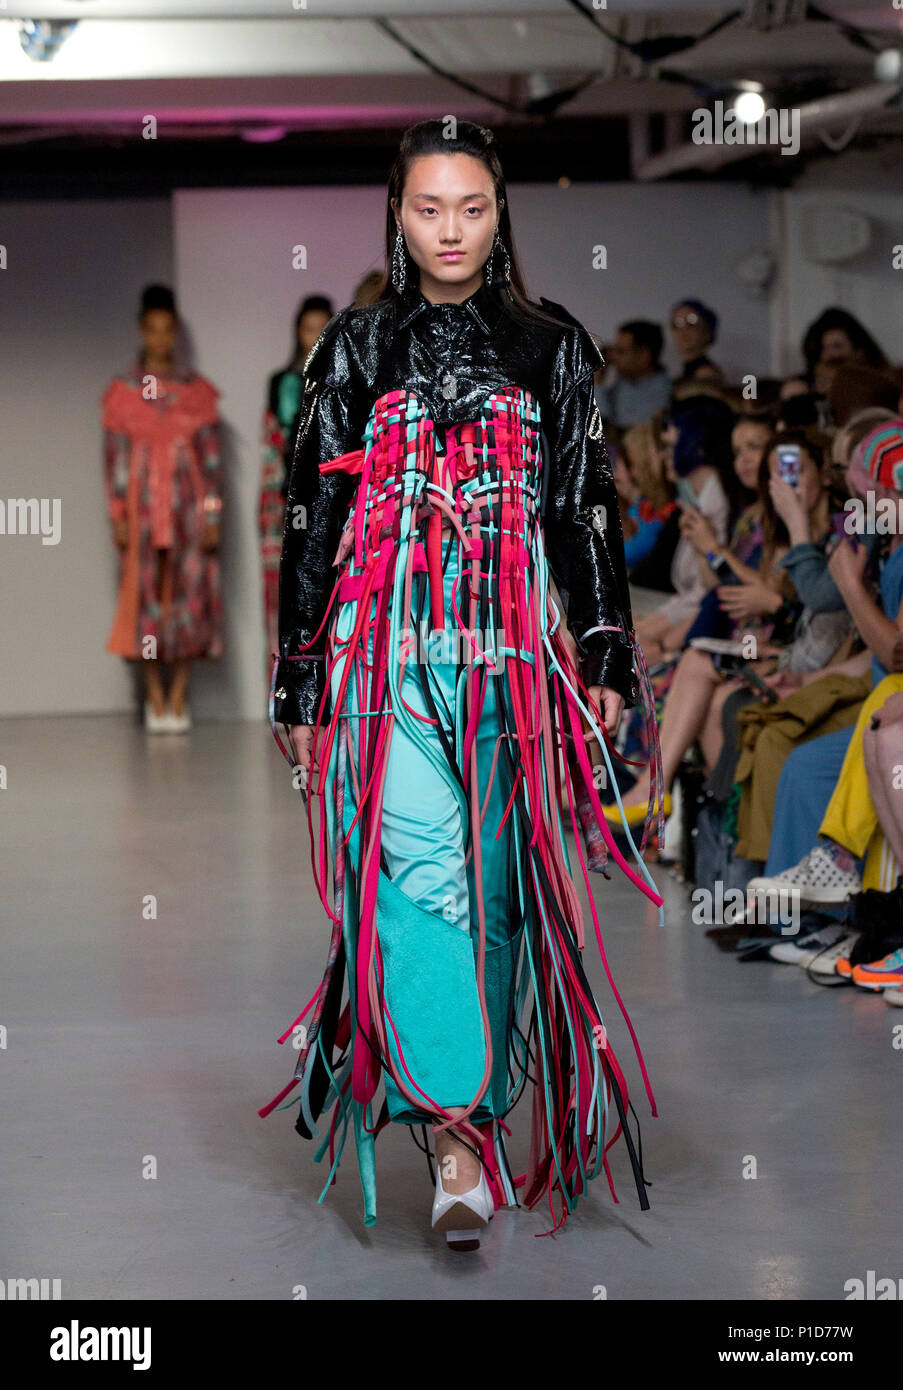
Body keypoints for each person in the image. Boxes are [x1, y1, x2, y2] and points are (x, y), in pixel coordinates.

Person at [260, 119, 664, 1249]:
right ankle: (450, 1130)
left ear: (501, 213)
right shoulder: (353, 348)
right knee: (424, 873)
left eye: (471, 207)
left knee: (492, 897)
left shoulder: (551, 346)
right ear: (397, 211)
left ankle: (469, 1127)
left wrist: (607, 650)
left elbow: (586, 513)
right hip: (383, 662)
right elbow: (309, 525)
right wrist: (296, 685)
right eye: (429, 207)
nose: (450, 229)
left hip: (514, 669)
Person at [101, 284, 223, 732]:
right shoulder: (124, 392)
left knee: (189, 599)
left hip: (189, 511)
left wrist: (212, 513)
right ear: (142, 331)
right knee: (146, 601)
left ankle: (179, 695)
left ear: (174, 333)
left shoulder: (195, 392)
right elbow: (113, 462)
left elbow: (211, 464)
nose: (160, 339)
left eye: (167, 330)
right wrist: (118, 516)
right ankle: (154, 696)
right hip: (142, 511)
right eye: (152, 330)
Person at [259, 295, 334, 663]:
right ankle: (280, 691)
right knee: (279, 594)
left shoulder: (342, 383)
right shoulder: (281, 384)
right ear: (297, 333)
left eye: (323, 327)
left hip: (327, 504)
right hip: (282, 504)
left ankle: (322, 697)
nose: (316, 336)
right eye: (309, 328)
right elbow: (270, 449)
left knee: (323, 590)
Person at [596, 319, 671, 428]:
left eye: (621, 351)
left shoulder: (663, 393)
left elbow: (611, 434)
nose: (613, 357)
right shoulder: (622, 385)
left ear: (643, 356)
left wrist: (597, 380)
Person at [669, 298, 724, 385]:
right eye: (677, 324)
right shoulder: (682, 375)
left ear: (707, 332)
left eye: (691, 323)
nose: (684, 330)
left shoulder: (706, 375)